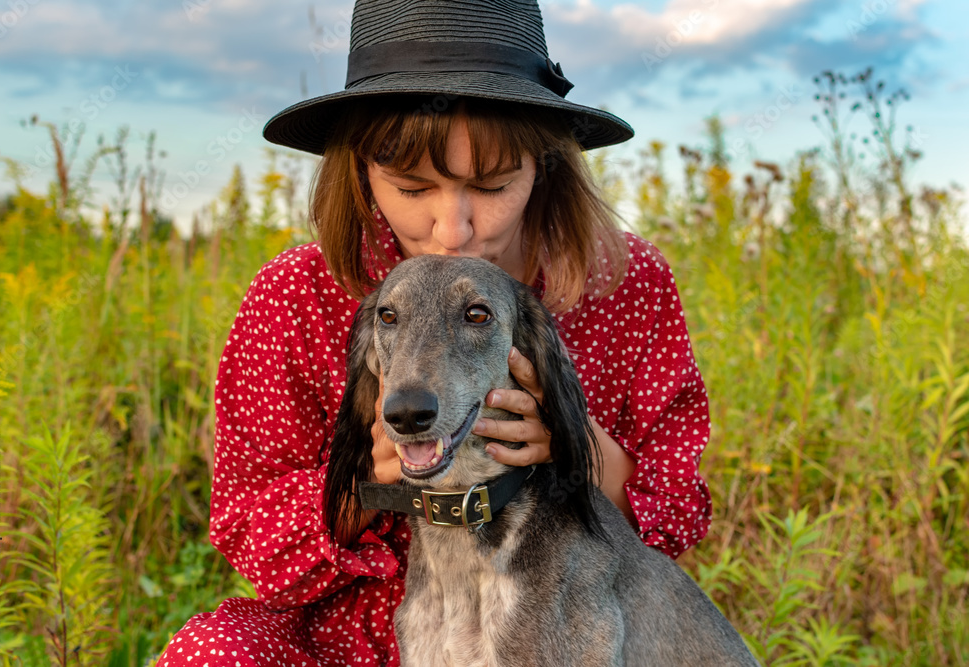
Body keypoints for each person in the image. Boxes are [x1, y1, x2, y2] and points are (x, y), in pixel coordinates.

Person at [157, 1, 713, 665]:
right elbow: (249, 524)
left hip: (557, 620)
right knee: (215, 654)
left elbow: (671, 514)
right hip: (360, 633)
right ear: (361, 169)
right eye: (413, 186)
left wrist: (573, 441)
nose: (453, 228)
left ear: (546, 166)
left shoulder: (622, 282)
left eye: (494, 184)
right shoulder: (299, 295)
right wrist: (365, 480)